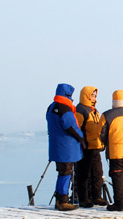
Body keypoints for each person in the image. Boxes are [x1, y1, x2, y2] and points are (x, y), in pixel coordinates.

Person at [45, 83, 84, 211]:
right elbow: (70, 126)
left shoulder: (51, 107)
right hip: (66, 147)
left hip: (56, 145)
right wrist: (81, 139)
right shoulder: (65, 109)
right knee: (66, 172)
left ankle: (60, 199)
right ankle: (62, 201)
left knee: (62, 172)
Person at [74, 86, 107, 208]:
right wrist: (81, 142)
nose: (94, 97)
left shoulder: (94, 110)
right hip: (86, 147)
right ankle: (84, 198)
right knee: (83, 174)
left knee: (97, 173)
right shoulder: (80, 110)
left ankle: (97, 197)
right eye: (92, 95)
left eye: (95, 96)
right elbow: (77, 128)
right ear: (86, 95)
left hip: (96, 146)